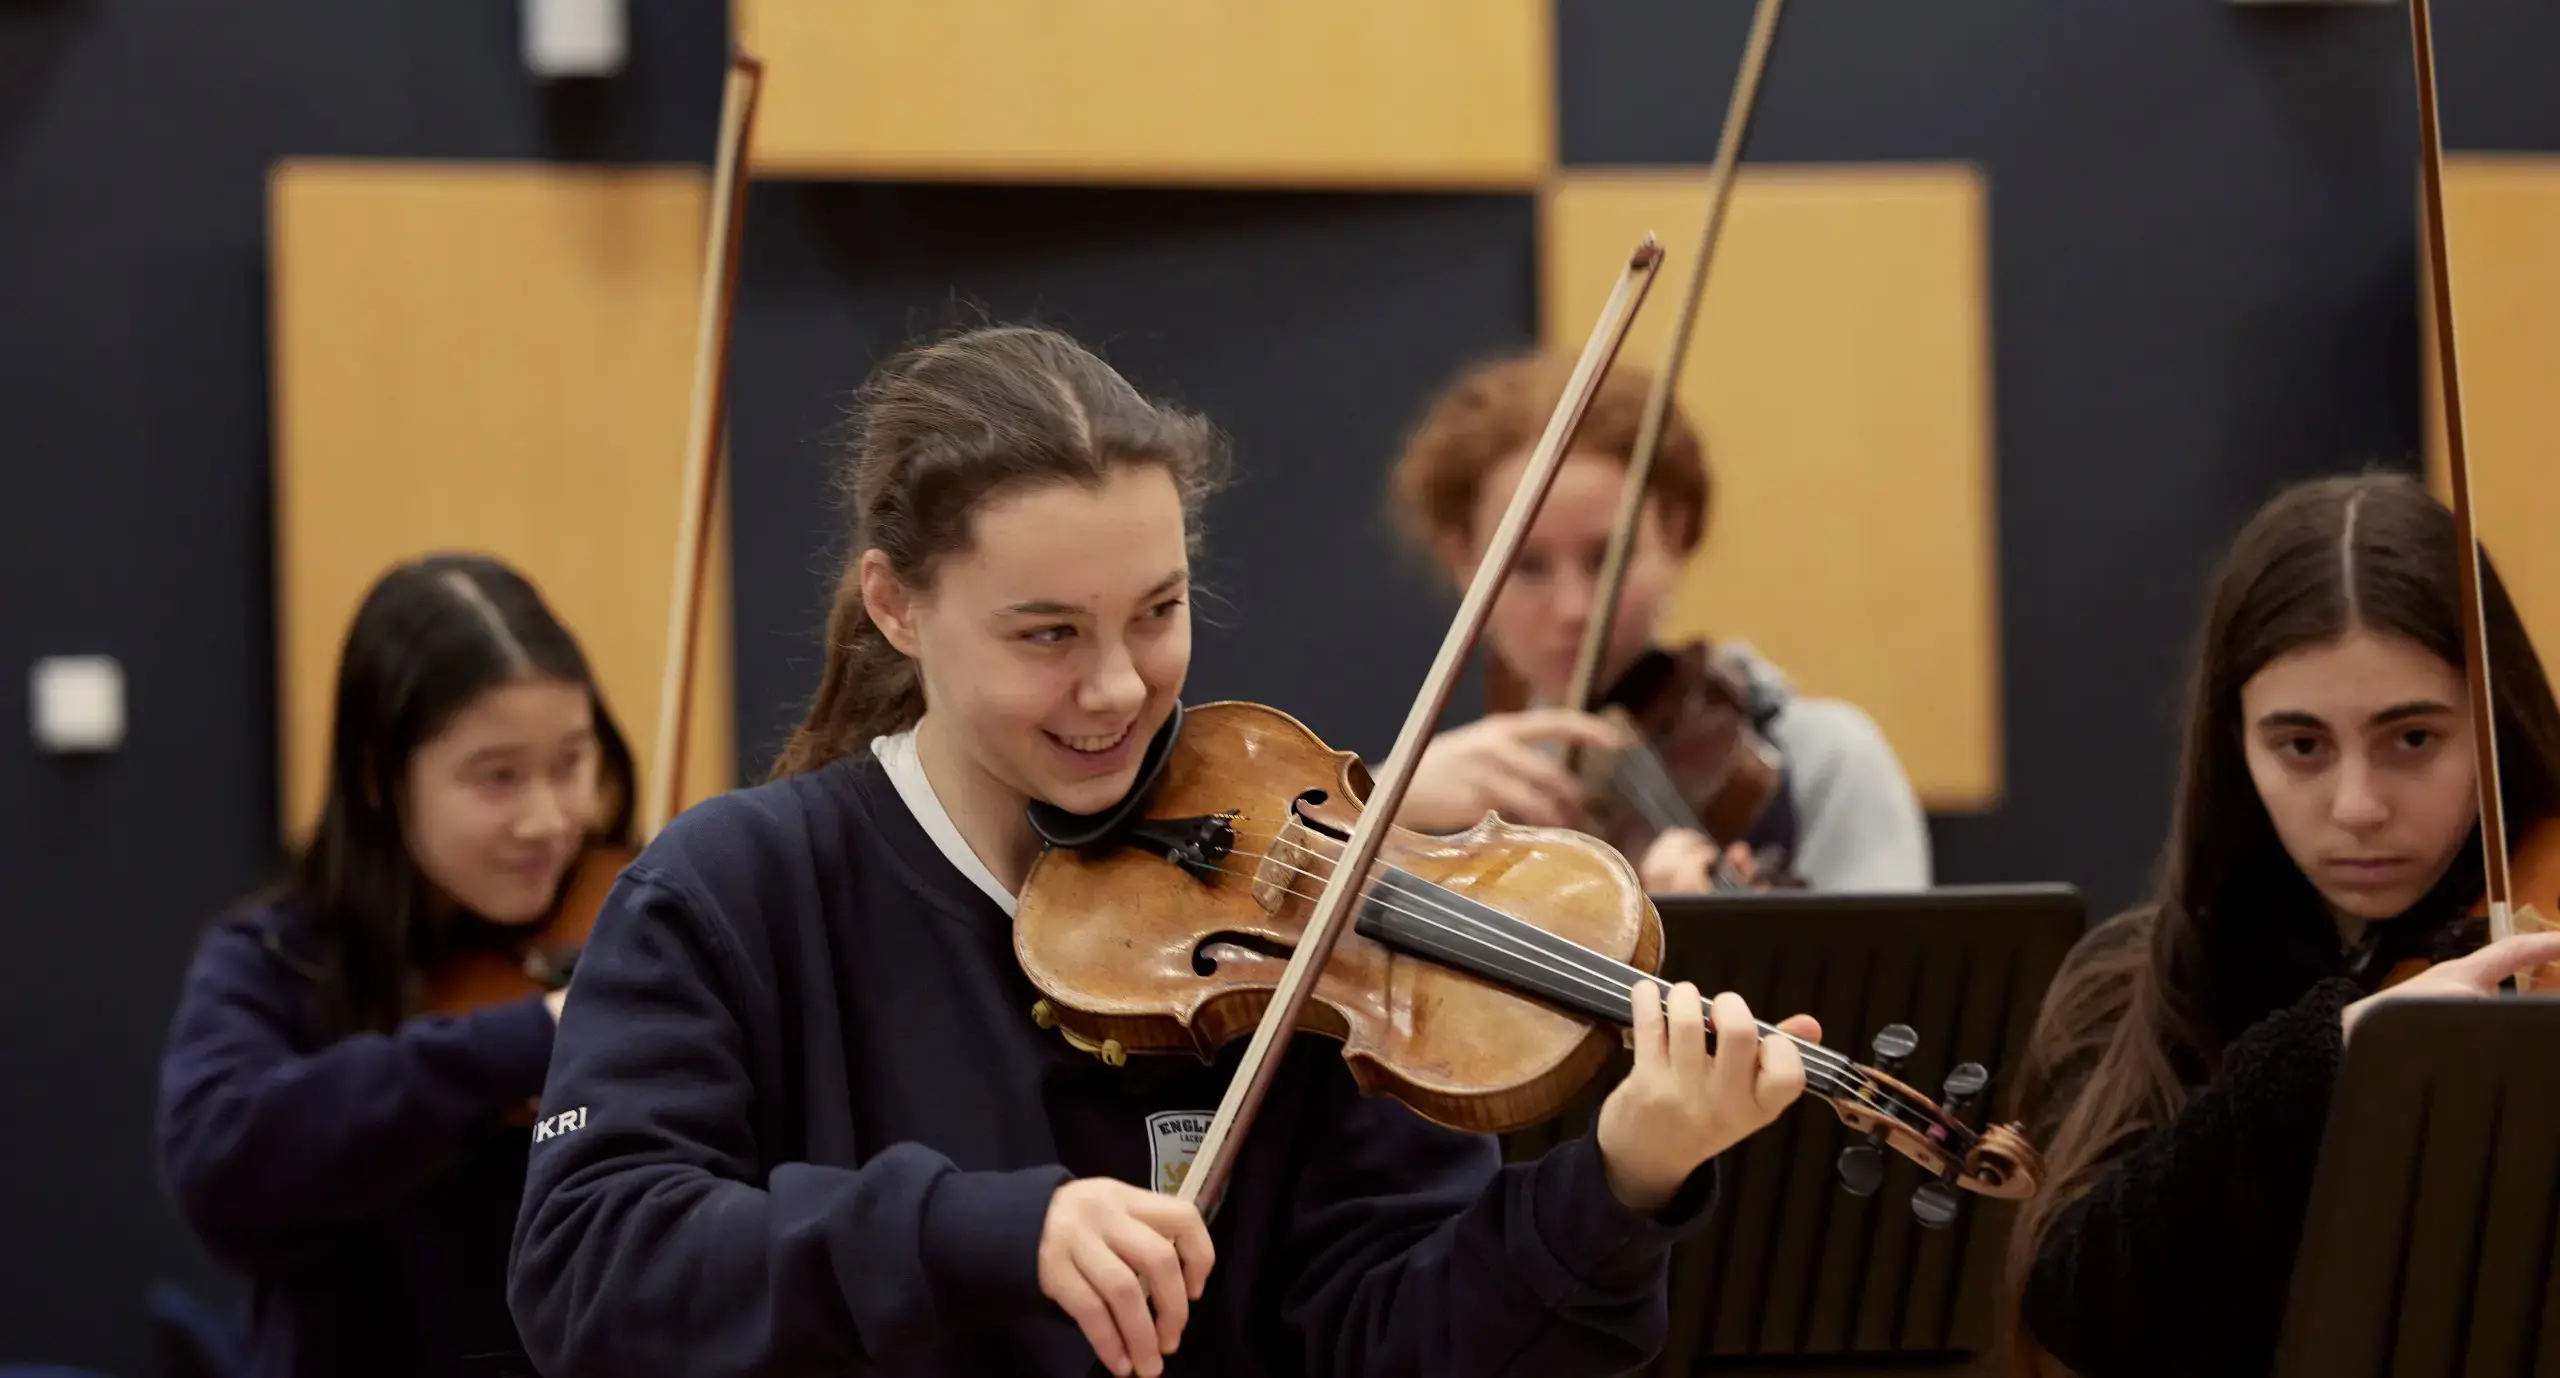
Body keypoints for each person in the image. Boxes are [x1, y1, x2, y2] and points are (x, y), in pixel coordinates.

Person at [504, 323, 1823, 1378]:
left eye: (1159, 611)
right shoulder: (734, 889)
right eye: (1046, 634)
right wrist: (990, 1227)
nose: (1121, 687)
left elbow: (1399, 1336)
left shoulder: (1305, 906)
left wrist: (1621, 1181)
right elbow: (589, 1268)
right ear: (898, 603)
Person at [2002, 471, 2560, 1378]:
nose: (2357, 805)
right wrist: (2332, 1053)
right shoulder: (2130, 985)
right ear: (2236, 744)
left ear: (2496, 725)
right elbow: (2081, 1306)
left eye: (2413, 738)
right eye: (2301, 746)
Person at [156, 552, 635, 1378]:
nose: (550, 817)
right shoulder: (275, 963)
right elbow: (220, 1166)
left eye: (570, 762)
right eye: (497, 778)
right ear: (381, 778)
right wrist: (522, 1041)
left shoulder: (636, 918)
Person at [1384, 350, 1931, 894]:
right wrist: (1382, 803)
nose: (1574, 608)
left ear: (1677, 536)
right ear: (1465, 562)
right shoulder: (1439, 801)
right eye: (1527, 566)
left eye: (1608, 559)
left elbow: (1887, 979)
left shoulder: (1819, 761)